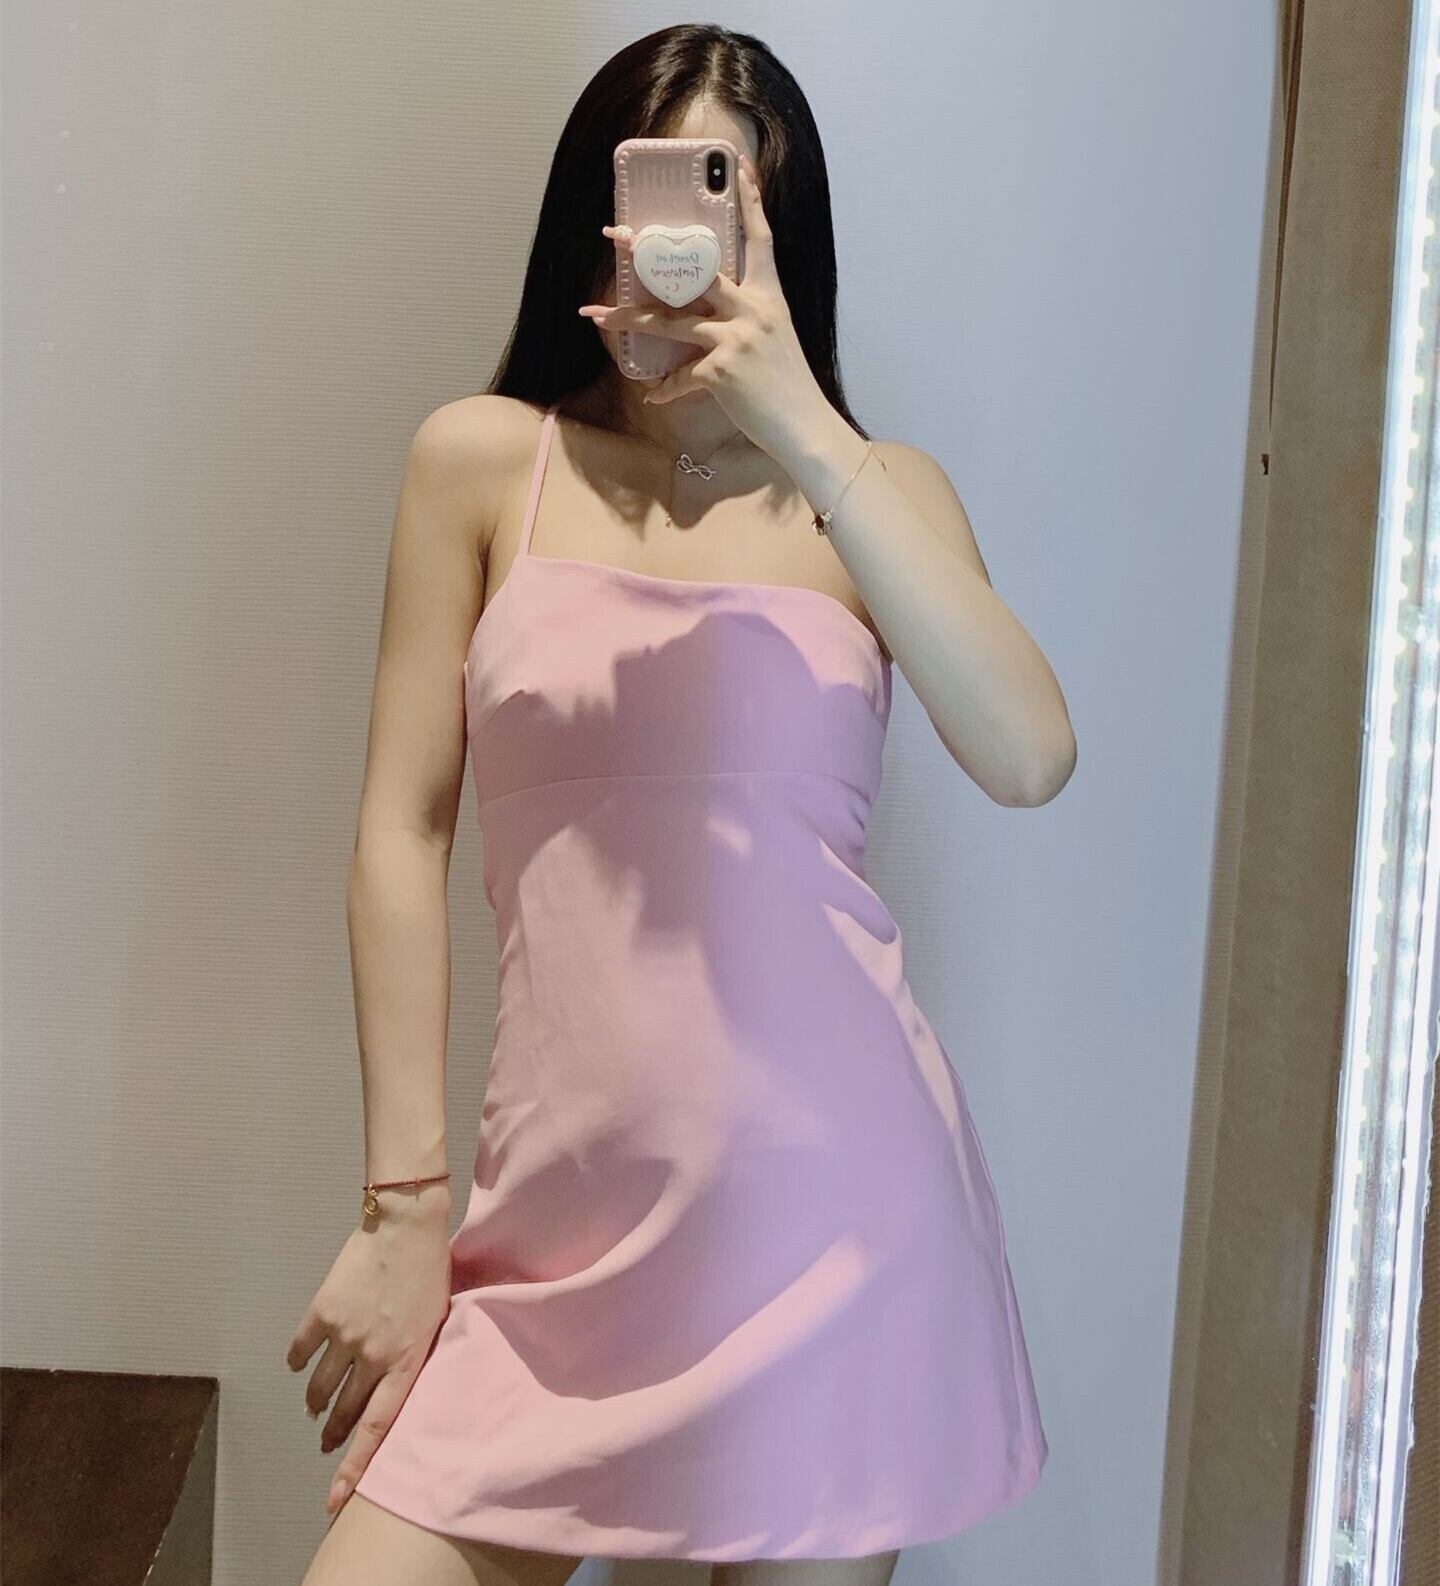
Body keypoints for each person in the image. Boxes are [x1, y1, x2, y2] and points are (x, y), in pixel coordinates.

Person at [291, 22, 1075, 1586]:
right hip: (552, 1239)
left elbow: (1029, 753)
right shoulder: (483, 465)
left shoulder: (878, 495)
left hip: (835, 1228)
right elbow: (402, 827)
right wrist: (402, 1205)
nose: (675, 248)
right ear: (593, 217)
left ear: (780, 234)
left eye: (727, 201)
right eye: (651, 195)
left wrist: (803, 425)